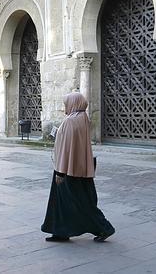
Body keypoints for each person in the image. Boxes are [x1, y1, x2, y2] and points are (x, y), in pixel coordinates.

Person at [41, 92, 115, 242]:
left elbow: (66, 147)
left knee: (76, 202)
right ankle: (61, 231)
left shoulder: (70, 121)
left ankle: (104, 228)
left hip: (67, 169)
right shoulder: (83, 119)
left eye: (66, 104)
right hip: (81, 167)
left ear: (73, 103)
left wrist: (60, 172)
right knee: (80, 200)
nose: (65, 107)